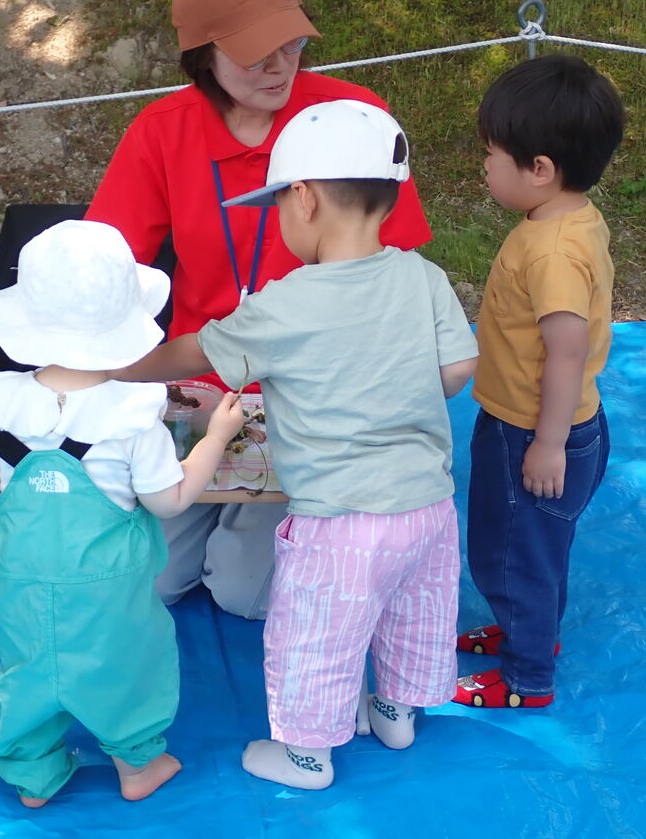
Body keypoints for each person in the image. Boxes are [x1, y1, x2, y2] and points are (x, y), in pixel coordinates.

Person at [116, 100, 479, 790]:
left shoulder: (287, 302)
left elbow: (200, 352)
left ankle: (306, 756)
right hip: (428, 509)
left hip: (338, 522)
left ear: (305, 198)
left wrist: (119, 367)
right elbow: (458, 370)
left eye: (280, 203)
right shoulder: (423, 277)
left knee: (315, 637)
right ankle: (396, 713)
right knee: (412, 615)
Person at [85, 0, 433, 621]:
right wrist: (110, 377)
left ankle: (259, 528)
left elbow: (397, 278)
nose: (279, 67)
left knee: (244, 593)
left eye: (291, 44)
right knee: (150, 581)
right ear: (203, 57)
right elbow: (104, 266)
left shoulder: (353, 119)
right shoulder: (163, 132)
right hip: (198, 383)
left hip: (313, 398)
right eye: (254, 54)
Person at [0, 220, 244, 807]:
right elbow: (168, 500)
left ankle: (33, 776)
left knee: (27, 669)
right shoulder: (131, 415)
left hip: (19, 577)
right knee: (125, 670)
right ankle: (137, 765)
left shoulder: (1, 404)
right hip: (109, 589)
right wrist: (216, 438)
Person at [454, 54, 625, 709]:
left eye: (492, 155)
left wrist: (548, 443)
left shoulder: (553, 252)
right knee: (534, 547)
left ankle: (527, 678)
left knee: (516, 552)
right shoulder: (569, 219)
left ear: (541, 170)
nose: (484, 166)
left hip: (534, 430)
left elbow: (566, 352)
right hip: (546, 423)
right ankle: (531, 631)